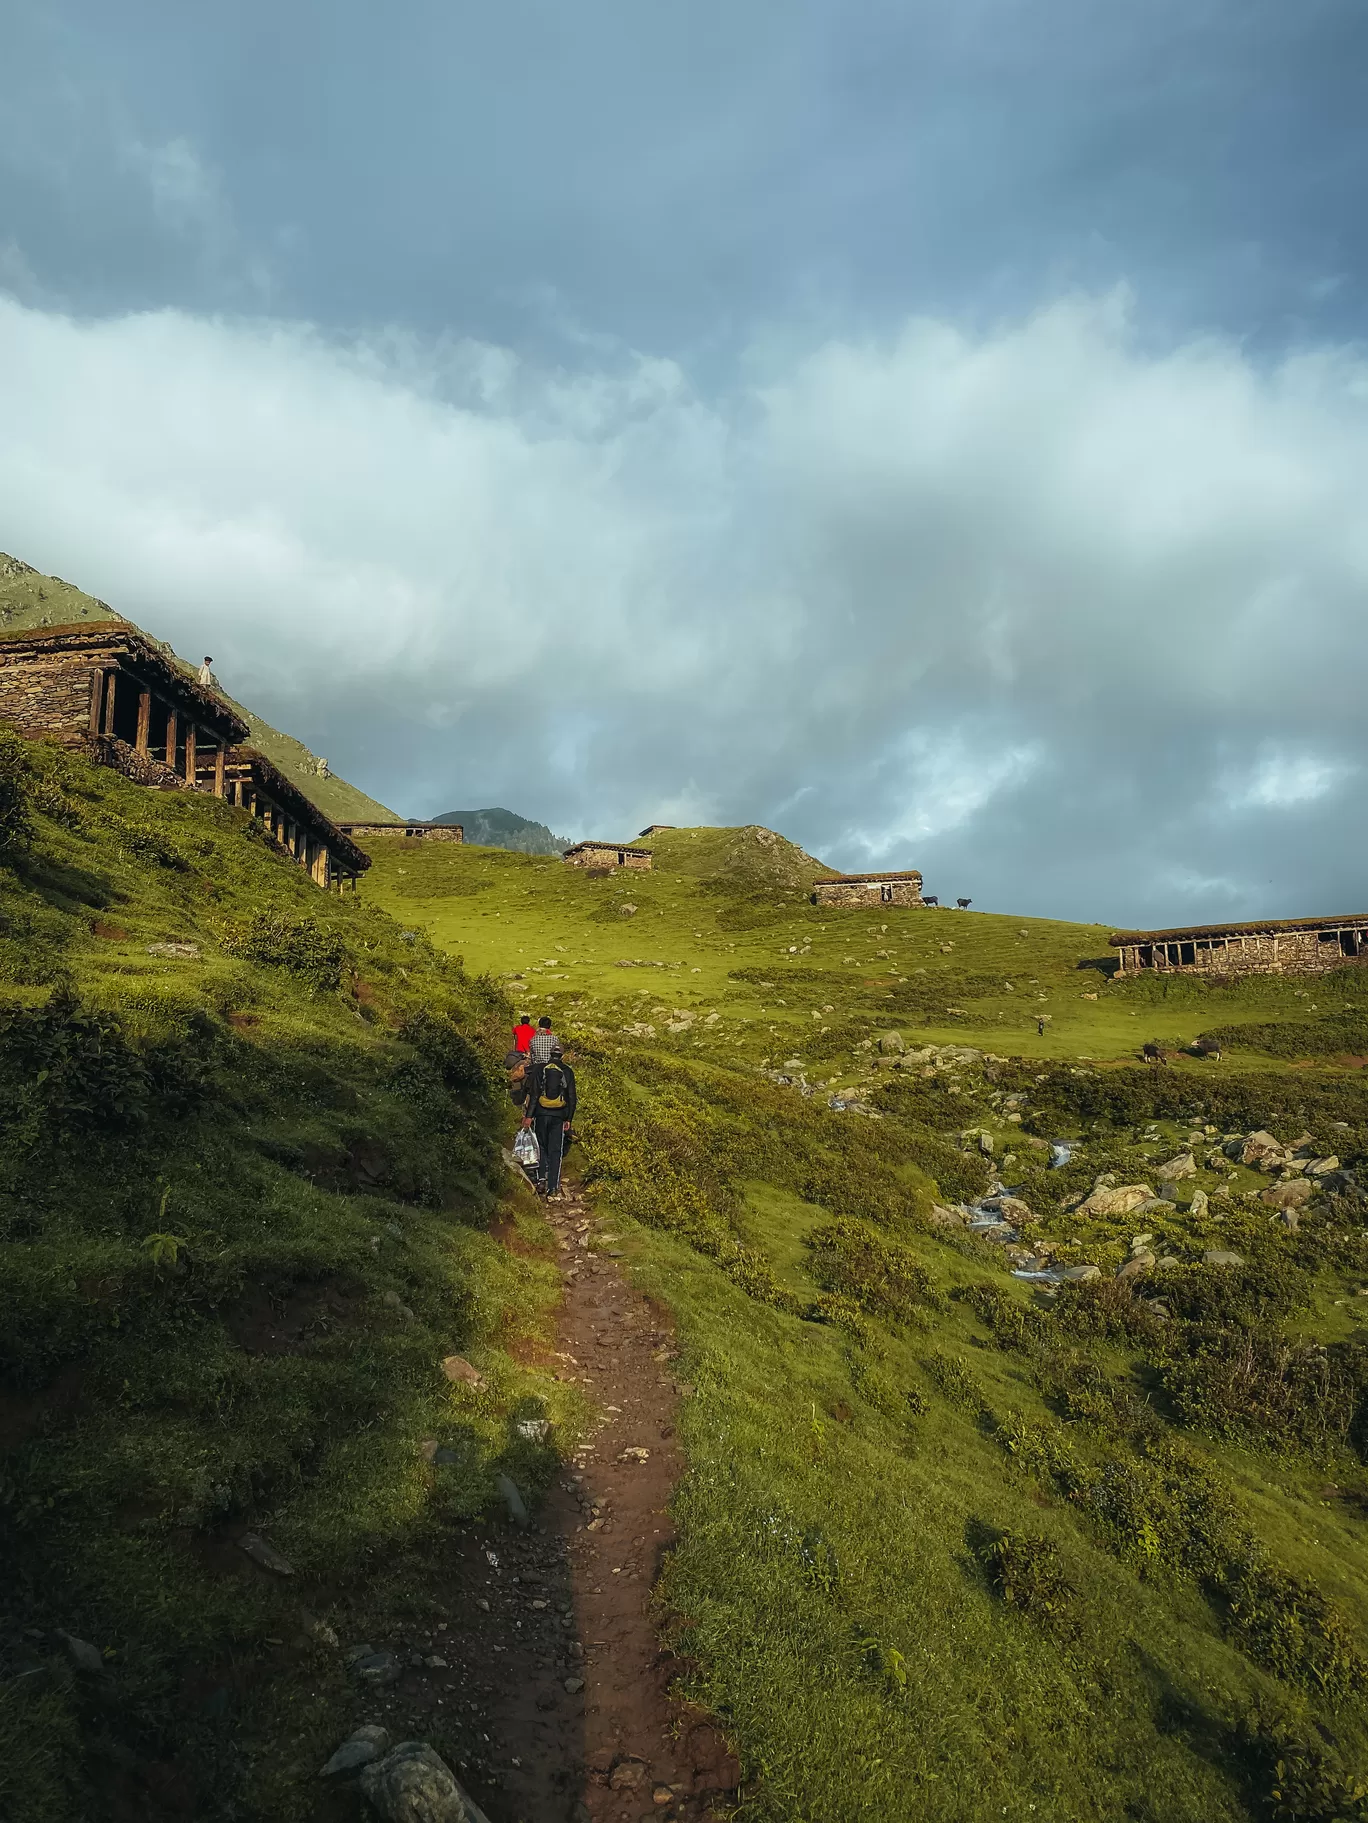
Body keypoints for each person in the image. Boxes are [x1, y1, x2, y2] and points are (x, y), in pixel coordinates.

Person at [521, 1046, 576, 1198]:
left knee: (541, 1146)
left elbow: (534, 1095)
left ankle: (541, 1180)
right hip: (558, 1115)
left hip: (541, 1113)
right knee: (555, 1150)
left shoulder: (541, 1069)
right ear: (562, 1056)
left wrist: (529, 1116)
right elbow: (571, 1097)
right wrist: (568, 1119)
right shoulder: (567, 1071)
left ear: (550, 1054)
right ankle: (553, 1186)